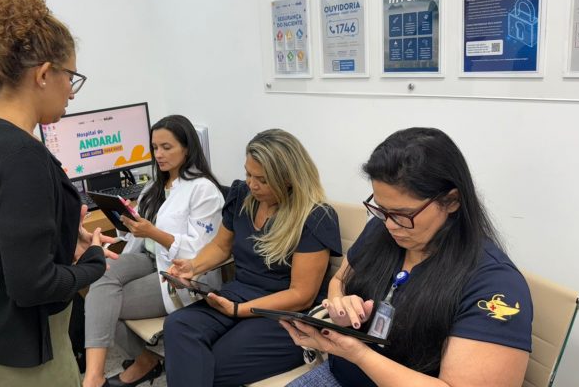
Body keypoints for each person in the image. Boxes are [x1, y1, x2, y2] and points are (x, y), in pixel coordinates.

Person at [0, 0, 117, 386]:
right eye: (70, 77)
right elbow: (32, 285)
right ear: (43, 74)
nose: (71, 92)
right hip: (22, 364)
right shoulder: (23, 156)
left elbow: (2, 241)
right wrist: (93, 262)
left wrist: (61, 239)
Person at [282, 127, 533, 387]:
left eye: (403, 214)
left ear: (451, 201)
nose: (390, 225)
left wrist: (358, 354)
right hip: (341, 374)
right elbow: (339, 281)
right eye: (381, 209)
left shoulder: (493, 284)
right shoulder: (381, 230)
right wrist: (340, 307)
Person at [162, 129, 342, 386]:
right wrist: (192, 266)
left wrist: (239, 311)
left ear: (289, 179)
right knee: (177, 325)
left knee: (208, 364)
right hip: (238, 294)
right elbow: (221, 246)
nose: (252, 184)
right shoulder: (242, 196)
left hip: (284, 314)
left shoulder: (315, 217)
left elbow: (301, 294)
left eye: (263, 180)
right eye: (248, 174)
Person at [82, 115, 225, 387]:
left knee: (102, 305)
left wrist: (152, 232)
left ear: (187, 148)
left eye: (166, 147)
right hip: (149, 257)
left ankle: (116, 370)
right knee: (100, 275)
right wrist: (125, 221)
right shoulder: (155, 185)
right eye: (155, 147)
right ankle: (121, 367)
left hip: (179, 272)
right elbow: (139, 231)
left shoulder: (203, 190)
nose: (158, 154)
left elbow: (203, 250)